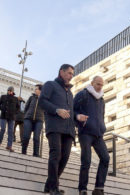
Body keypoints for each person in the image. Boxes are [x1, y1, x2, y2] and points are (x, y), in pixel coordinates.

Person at [39, 64, 87, 195]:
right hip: (54, 126)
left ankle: (49, 184)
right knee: (56, 155)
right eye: (69, 73)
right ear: (61, 72)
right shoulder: (50, 85)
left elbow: (71, 112)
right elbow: (42, 101)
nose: (71, 76)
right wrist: (56, 110)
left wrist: (78, 116)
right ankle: (54, 188)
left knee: (64, 158)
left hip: (69, 130)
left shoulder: (70, 93)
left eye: (72, 74)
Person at [74, 76, 109, 195]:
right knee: (86, 161)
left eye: (101, 85)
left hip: (98, 134)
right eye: (98, 84)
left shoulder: (102, 99)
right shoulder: (82, 94)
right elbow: (72, 110)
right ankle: (82, 189)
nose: (100, 86)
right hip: (85, 133)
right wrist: (78, 117)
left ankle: (99, 188)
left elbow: (102, 115)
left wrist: (103, 127)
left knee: (105, 158)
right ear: (92, 83)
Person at [22, 84, 44, 157]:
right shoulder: (31, 98)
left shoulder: (44, 99)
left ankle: (36, 154)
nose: (35, 90)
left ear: (40, 91)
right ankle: (23, 151)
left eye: (36, 89)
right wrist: (25, 116)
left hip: (39, 120)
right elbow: (26, 108)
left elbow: (46, 111)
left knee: (36, 137)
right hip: (28, 119)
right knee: (26, 136)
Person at [0, 86, 20, 152]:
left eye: (10, 91)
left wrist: (15, 113)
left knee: (10, 131)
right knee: (3, 128)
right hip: (3, 115)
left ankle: (9, 146)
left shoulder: (15, 99)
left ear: (13, 91)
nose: (9, 91)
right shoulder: (3, 96)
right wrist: (2, 109)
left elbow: (18, 108)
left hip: (11, 117)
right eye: (8, 90)